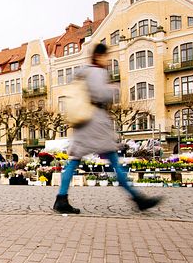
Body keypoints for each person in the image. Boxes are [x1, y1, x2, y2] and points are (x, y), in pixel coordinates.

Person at [54, 43, 162, 214]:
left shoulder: (82, 72)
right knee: (113, 161)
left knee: (74, 161)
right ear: (98, 56)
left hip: (82, 124)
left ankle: (61, 199)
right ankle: (137, 198)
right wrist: (113, 90)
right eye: (106, 57)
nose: (108, 61)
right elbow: (99, 94)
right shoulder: (97, 71)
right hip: (95, 123)